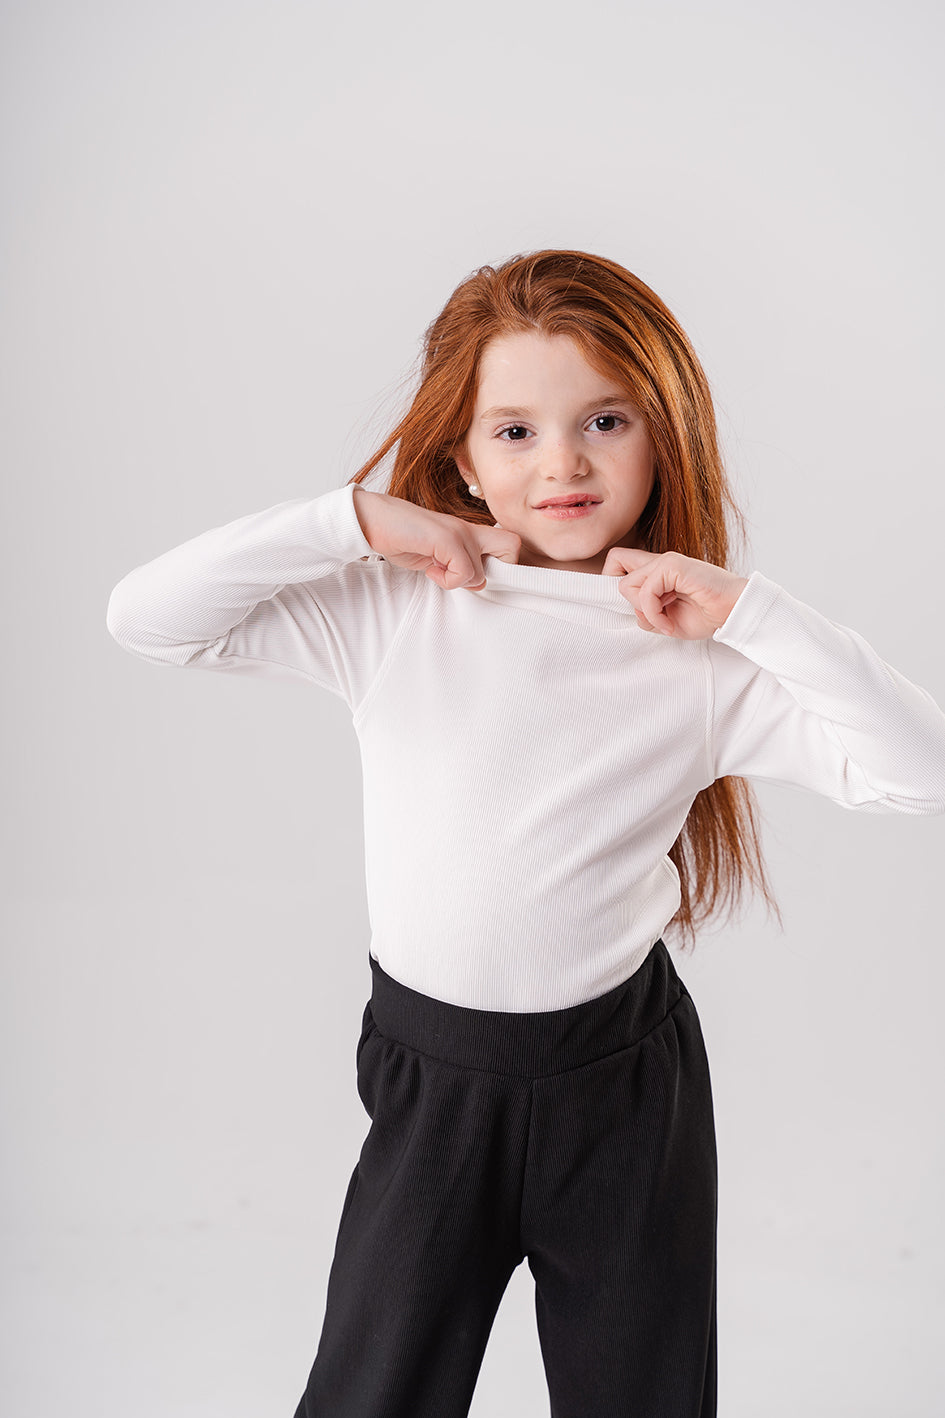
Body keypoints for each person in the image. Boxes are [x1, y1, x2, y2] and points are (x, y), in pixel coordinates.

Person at [105, 250, 945, 1418]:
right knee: (371, 1386)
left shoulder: (696, 654)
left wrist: (755, 614)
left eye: (605, 418)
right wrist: (345, 521)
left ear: (664, 434)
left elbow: (918, 772)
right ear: (462, 455)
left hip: (621, 1085)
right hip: (434, 1079)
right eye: (514, 431)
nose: (563, 462)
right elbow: (148, 619)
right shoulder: (402, 609)